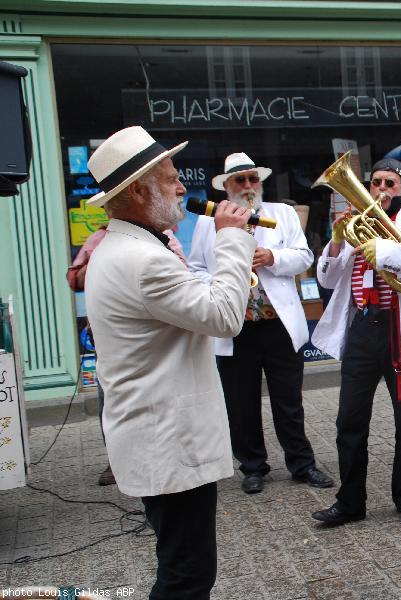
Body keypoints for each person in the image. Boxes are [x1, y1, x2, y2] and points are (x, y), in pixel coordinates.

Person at [84, 126, 256, 598]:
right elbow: (224, 317)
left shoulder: (124, 247)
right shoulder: (144, 259)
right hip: (168, 442)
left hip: (156, 436)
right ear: (138, 191)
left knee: (182, 565)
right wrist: (233, 240)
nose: (183, 187)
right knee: (187, 575)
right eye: (171, 178)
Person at [310, 157, 401, 527]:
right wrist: (337, 242)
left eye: (390, 183)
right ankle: (350, 501)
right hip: (362, 330)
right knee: (349, 421)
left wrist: (385, 251)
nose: (381, 189)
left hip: (400, 330)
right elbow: (326, 279)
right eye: (375, 183)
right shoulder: (357, 224)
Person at [189, 153, 333, 494]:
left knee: (289, 400)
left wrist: (272, 258)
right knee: (241, 403)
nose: (249, 186)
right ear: (227, 187)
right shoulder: (207, 221)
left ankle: (302, 463)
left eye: (253, 179)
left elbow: (304, 256)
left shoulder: (282, 213)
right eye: (240, 181)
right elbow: (195, 268)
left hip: (277, 324)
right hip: (235, 326)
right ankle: (252, 466)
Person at [67, 225, 186, 487]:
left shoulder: (166, 239)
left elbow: (181, 275)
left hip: (155, 335)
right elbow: (74, 279)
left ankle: (164, 454)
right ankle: (117, 459)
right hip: (111, 335)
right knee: (111, 398)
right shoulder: (100, 238)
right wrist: (98, 260)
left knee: (158, 395)